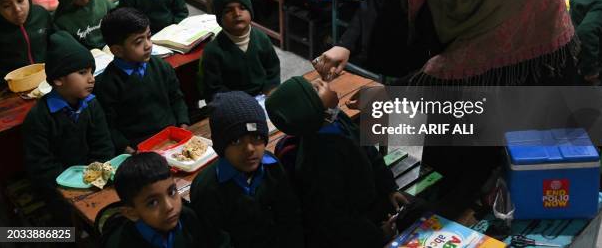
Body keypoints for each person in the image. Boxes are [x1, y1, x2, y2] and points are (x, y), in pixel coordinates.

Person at [312, 0, 577, 211]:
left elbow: (467, 67)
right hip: (448, 69)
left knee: (469, 157)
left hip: (506, 85)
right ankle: (421, 192)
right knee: (425, 141)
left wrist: (392, 99)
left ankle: (458, 204)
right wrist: (346, 44)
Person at [266, 77, 409, 247]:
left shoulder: (336, 117)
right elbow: (335, 218)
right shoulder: (319, 160)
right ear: (320, 112)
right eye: (316, 89)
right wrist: (377, 235)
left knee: (415, 210)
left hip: (369, 197)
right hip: (356, 226)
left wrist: (389, 188)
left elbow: (369, 151)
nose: (322, 82)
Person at [190, 91, 304, 248]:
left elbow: (289, 217)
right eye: (236, 141)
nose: (250, 149)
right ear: (221, 147)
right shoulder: (207, 189)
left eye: (257, 138)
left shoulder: (272, 167)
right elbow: (215, 241)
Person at [22, 31, 114, 224]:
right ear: (58, 79)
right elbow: (41, 166)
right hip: (59, 188)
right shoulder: (39, 117)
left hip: (94, 179)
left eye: (91, 71)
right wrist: (74, 185)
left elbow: (103, 145)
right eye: (82, 73)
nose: (91, 79)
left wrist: (95, 177)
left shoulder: (91, 104)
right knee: (69, 225)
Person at [96, 7, 190, 153]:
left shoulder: (161, 66)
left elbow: (176, 99)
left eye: (149, 36)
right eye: (138, 42)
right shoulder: (107, 83)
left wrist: (183, 126)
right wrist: (130, 151)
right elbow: (109, 127)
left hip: (172, 137)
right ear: (117, 50)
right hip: (139, 148)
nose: (148, 45)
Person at [198, 0, 280, 103]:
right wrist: (241, 102)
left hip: (263, 95)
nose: (237, 13)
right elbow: (213, 89)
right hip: (234, 103)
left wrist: (270, 89)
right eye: (228, 10)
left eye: (242, 8)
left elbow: (273, 69)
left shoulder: (261, 38)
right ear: (219, 18)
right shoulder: (213, 51)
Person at [107, 152, 203, 247]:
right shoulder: (121, 244)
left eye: (171, 192)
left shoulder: (188, 218)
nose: (169, 207)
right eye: (153, 202)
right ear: (131, 213)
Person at [0, 0, 52, 81]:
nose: (17, 9)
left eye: (20, 0)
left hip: (48, 78)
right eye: (6, 6)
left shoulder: (41, 15)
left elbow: (55, 45)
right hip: (12, 87)